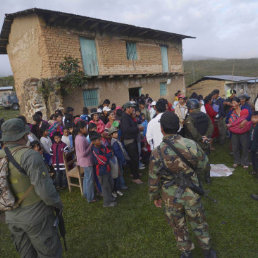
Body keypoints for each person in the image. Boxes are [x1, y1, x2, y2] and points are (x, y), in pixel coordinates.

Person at [148, 111, 216, 258]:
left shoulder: (157, 152)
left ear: (161, 129)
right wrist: (192, 173)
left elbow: (154, 178)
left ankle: (186, 252)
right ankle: (207, 250)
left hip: (170, 197)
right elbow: (205, 166)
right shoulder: (191, 144)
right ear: (179, 126)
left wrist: (155, 196)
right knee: (199, 222)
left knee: (178, 225)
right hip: (192, 193)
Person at [0, 118, 63, 257]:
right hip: (35, 215)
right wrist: (57, 204)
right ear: (23, 135)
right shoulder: (30, 155)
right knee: (49, 252)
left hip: (11, 215)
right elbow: (45, 191)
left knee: (26, 254)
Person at [184, 99, 213, 183]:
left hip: (195, 143)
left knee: (195, 161)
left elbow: (193, 131)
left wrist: (200, 138)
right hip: (205, 142)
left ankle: (197, 180)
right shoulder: (205, 115)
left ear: (190, 108)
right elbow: (211, 126)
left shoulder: (189, 118)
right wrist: (206, 136)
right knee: (206, 160)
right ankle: (208, 178)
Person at [90, 131, 116, 207]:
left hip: (107, 169)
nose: (100, 141)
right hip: (101, 171)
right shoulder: (95, 150)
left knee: (110, 184)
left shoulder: (101, 146)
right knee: (105, 187)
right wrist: (108, 155)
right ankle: (107, 203)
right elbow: (103, 160)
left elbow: (110, 152)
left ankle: (110, 198)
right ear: (94, 142)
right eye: (99, 140)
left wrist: (108, 155)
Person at [120, 102, 143, 184]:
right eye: (131, 108)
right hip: (129, 141)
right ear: (127, 109)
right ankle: (135, 177)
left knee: (135, 158)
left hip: (132, 140)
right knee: (134, 158)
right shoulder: (125, 118)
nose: (133, 109)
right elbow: (126, 130)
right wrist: (138, 129)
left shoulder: (128, 116)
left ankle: (134, 173)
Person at [75, 120, 96, 203]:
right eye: (85, 127)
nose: (87, 129)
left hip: (84, 161)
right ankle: (90, 198)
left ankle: (86, 194)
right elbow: (83, 153)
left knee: (87, 178)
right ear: (81, 129)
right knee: (89, 179)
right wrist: (91, 145)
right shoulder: (80, 139)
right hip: (86, 161)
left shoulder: (80, 137)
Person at [227, 98, 251, 168]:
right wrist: (229, 122)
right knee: (235, 147)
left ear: (239, 103)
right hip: (234, 132)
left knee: (245, 146)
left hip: (244, 131)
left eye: (234, 103)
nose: (233, 104)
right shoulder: (231, 111)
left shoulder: (244, 109)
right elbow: (227, 119)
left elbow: (250, 116)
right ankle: (236, 161)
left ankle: (245, 162)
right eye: (232, 103)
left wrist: (245, 120)